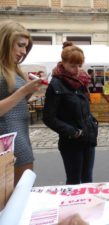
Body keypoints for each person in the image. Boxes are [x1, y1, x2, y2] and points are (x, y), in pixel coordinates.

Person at [43, 42, 98, 185]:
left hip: (88, 138)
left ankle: (88, 207)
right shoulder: (55, 84)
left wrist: (93, 123)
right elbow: (48, 118)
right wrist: (73, 132)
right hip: (71, 142)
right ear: (63, 63)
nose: (77, 70)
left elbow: (84, 109)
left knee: (88, 179)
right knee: (74, 182)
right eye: (73, 66)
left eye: (79, 65)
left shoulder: (81, 81)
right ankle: (73, 208)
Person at [0, 20, 44, 185]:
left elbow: (16, 103)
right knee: (12, 199)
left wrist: (30, 89)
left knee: (20, 194)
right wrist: (24, 90)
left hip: (20, 136)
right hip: (6, 143)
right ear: (5, 41)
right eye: (20, 45)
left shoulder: (13, 69)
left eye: (26, 47)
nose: (24, 52)